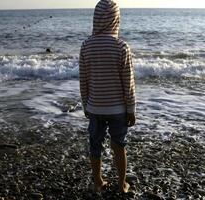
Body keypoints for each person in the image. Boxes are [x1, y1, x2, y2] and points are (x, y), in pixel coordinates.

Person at [79, 0, 136, 193]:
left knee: (95, 144)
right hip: (118, 109)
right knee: (119, 144)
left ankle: (98, 182)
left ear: (96, 19)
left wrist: (85, 104)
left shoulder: (86, 46)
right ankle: (121, 184)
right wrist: (131, 109)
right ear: (116, 19)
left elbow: (84, 79)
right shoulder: (122, 47)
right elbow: (128, 83)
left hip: (94, 106)